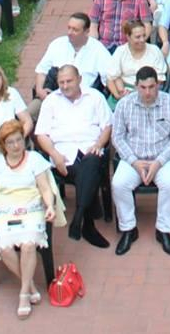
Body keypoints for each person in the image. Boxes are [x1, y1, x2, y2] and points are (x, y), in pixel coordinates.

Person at [0, 119, 61, 318]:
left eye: (19, 140)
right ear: (2, 146)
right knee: (5, 247)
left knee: (29, 244)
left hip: (31, 208)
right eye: (10, 142)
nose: (16, 146)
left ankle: (23, 294)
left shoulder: (35, 160)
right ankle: (29, 283)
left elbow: (45, 188)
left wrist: (49, 205)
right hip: (4, 211)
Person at [34, 64, 114, 248]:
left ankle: (80, 216)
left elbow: (107, 126)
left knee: (91, 162)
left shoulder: (95, 97)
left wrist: (99, 144)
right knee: (87, 171)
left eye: (69, 81)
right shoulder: (51, 101)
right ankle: (87, 223)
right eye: (61, 82)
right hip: (64, 157)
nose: (64, 85)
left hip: (91, 150)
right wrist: (54, 154)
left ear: (79, 79)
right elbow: (41, 135)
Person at [110, 66, 170, 255]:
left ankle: (163, 230)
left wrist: (158, 162)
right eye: (143, 87)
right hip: (134, 159)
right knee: (118, 184)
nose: (148, 92)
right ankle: (128, 229)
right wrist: (134, 162)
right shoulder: (124, 105)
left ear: (158, 84)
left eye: (152, 87)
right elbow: (117, 137)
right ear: (136, 86)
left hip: (162, 158)